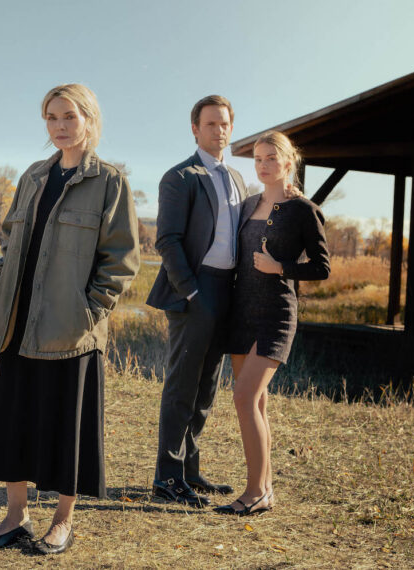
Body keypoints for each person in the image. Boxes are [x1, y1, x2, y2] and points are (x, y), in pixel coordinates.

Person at [0, 84, 140, 555]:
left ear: (89, 119)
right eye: (51, 118)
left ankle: (62, 524)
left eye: (69, 116)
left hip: (72, 328)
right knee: (15, 419)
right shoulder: (32, 176)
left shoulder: (109, 182)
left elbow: (121, 260)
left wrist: (91, 310)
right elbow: (10, 240)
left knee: (66, 427)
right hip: (17, 319)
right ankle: (15, 517)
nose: (60, 126)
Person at [215, 131, 329, 516]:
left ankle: (254, 493)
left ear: (287, 161)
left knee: (244, 397)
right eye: (258, 159)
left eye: (270, 158)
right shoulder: (248, 204)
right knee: (256, 403)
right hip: (241, 311)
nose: (263, 165)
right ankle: (263, 489)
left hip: (276, 314)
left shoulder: (303, 210)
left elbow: (322, 267)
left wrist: (280, 267)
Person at [146, 95, 248, 507]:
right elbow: (166, 240)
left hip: (229, 289)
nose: (219, 130)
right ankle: (166, 479)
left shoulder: (238, 179)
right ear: (195, 129)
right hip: (194, 288)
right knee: (182, 385)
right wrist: (191, 291)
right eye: (210, 124)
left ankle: (189, 470)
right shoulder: (180, 177)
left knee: (207, 386)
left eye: (224, 123)